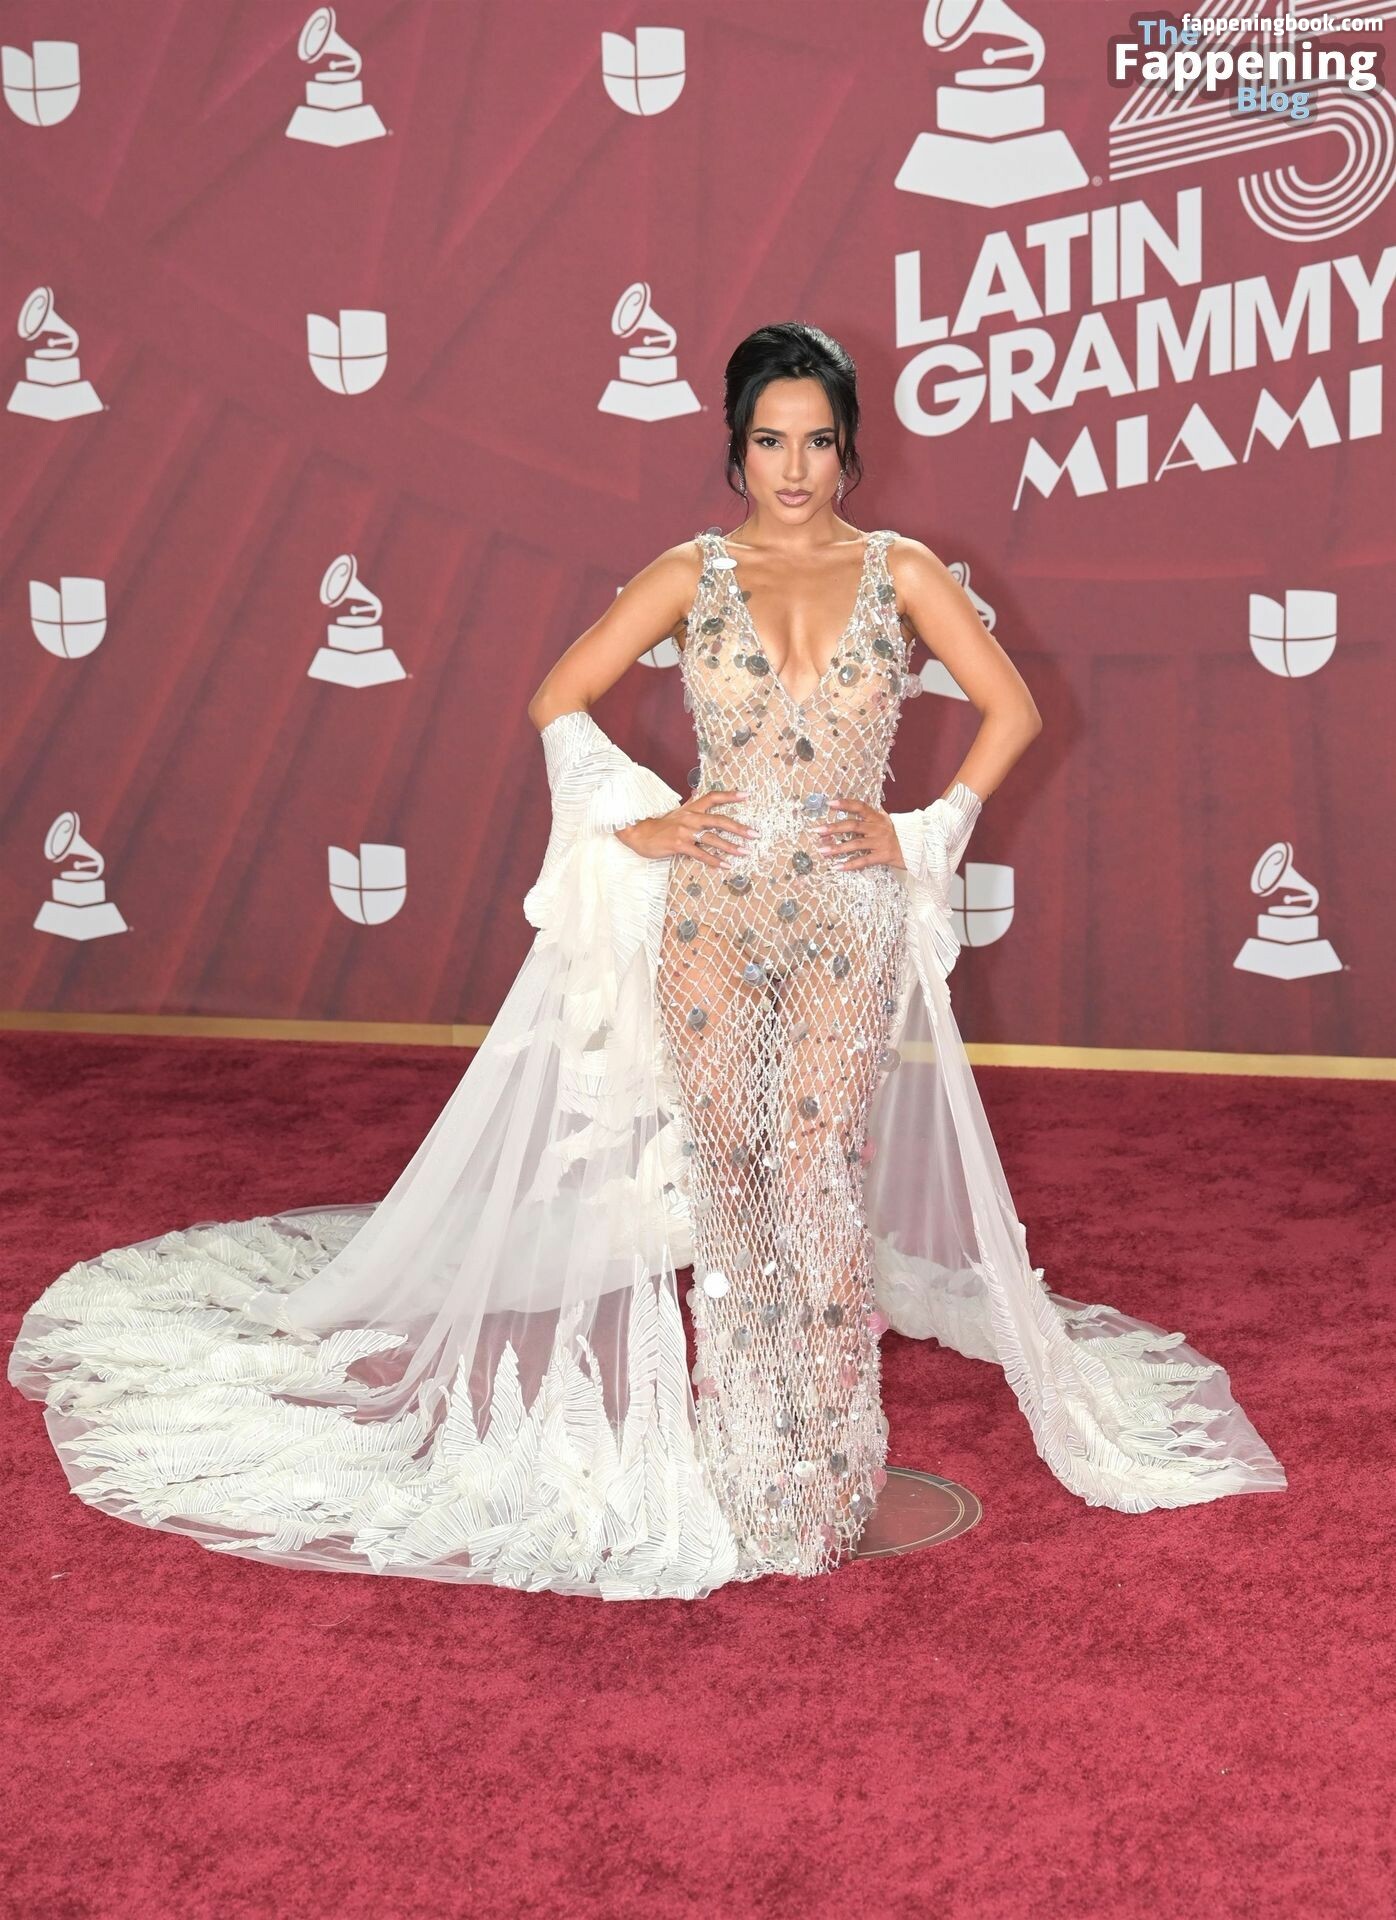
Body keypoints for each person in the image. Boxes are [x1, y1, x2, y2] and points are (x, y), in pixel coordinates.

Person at [7, 324, 1286, 1600]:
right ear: (737, 450)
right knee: (729, 1181)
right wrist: (641, 823)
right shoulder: (692, 571)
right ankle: (743, 1460)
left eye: (818, 442)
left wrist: (922, 829)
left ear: (850, 450)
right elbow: (555, 698)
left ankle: (828, 1466)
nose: (795, 468)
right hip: (710, 916)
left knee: (816, 1177)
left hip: (846, 916)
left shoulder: (899, 570)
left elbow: (1013, 709)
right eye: (771, 442)